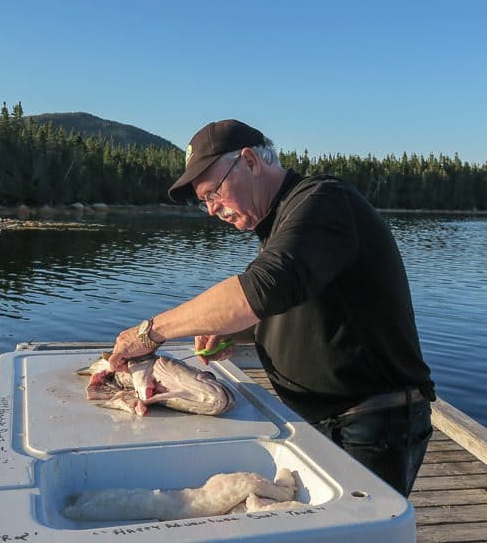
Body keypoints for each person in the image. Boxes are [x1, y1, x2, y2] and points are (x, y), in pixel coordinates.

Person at [108, 119, 435, 496]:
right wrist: (241, 329)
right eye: (205, 203)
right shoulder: (280, 223)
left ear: (248, 161)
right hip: (327, 419)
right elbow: (302, 302)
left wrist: (149, 332)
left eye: (213, 192)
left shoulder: (324, 200)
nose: (213, 209)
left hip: (371, 422)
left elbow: (266, 286)